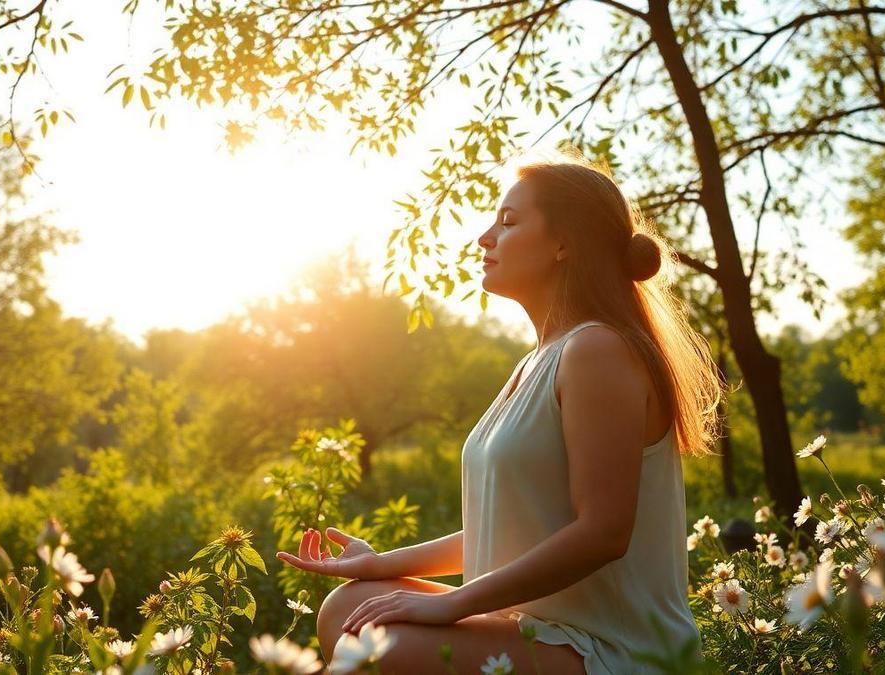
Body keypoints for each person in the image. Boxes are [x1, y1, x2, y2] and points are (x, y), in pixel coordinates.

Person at [276, 150, 724, 674]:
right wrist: (379, 564)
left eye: (508, 222)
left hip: (612, 649)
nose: (484, 238)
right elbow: (512, 533)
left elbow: (603, 531)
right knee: (352, 604)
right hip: (539, 633)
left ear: (564, 244)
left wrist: (452, 603)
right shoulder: (538, 361)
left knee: (382, 641)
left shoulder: (597, 351)